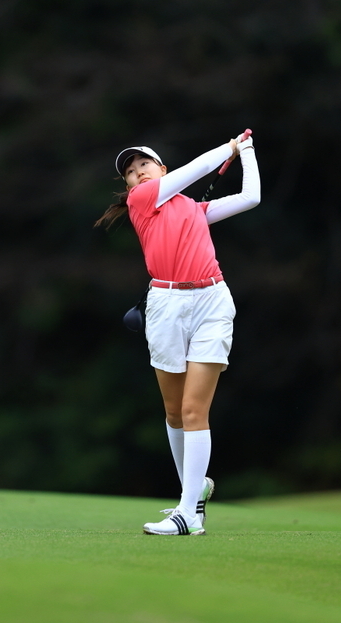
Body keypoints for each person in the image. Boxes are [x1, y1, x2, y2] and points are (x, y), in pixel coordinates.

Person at [95, 131, 260, 535]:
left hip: (212, 303)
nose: (138, 175)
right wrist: (227, 149)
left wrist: (248, 152)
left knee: (192, 411)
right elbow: (195, 169)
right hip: (166, 307)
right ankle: (196, 488)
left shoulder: (194, 209)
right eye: (131, 173)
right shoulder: (140, 202)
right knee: (173, 412)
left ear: (160, 168)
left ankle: (189, 513)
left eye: (144, 166)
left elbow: (251, 197)